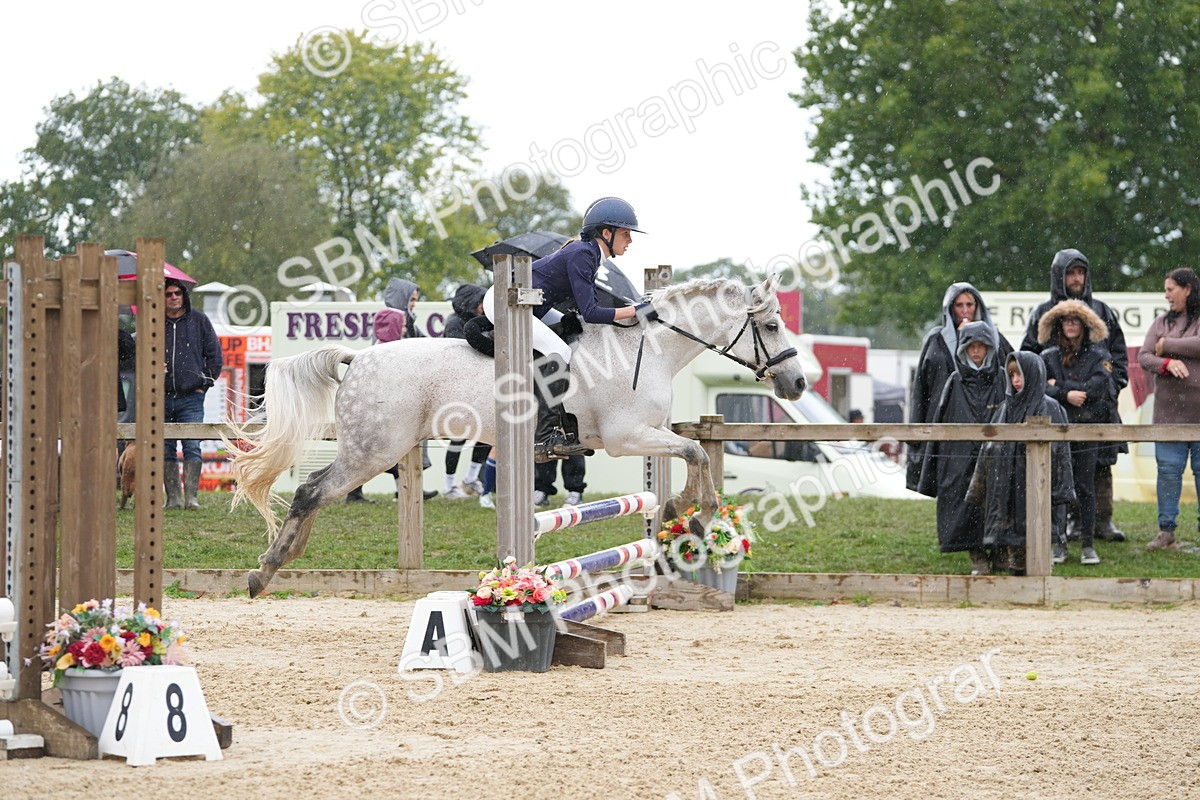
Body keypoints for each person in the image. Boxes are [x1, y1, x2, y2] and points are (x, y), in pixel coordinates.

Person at [482, 197, 656, 462]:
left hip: (530, 304)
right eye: (625, 233)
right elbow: (593, 312)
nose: (630, 240)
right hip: (508, 300)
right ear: (605, 233)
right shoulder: (583, 253)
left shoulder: (591, 255)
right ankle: (545, 437)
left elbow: (586, 309)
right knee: (559, 350)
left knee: (573, 338)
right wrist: (635, 310)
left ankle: (565, 422)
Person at [1021, 248, 1129, 542]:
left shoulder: (1103, 311)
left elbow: (1118, 355)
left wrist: (1112, 385)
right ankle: (1070, 521)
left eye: (1081, 272)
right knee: (1062, 464)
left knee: (1101, 463)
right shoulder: (1043, 313)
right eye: (1070, 272)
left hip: (1098, 405)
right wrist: (1049, 389)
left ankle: (1102, 521)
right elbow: (1028, 357)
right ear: (1059, 276)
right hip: (1058, 408)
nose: (1077, 278)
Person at [967, 352, 1074, 575]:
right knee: (1015, 552)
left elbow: (1062, 456)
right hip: (1009, 490)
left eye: (1020, 374)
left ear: (1034, 374)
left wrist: (1060, 492)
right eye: (1012, 374)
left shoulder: (1051, 407)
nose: (1016, 380)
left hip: (1038, 489)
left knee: (1038, 546)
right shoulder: (1005, 409)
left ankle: (1040, 591)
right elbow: (988, 451)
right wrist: (980, 488)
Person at [916, 321, 1007, 574]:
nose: (976, 351)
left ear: (989, 347)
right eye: (971, 346)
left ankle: (1000, 551)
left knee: (998, 501)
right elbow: (940, 420)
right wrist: (932, 465)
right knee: (963, 504)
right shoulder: (954, 381)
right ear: (963, 349)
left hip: (996, 454)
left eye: (981, 346)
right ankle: (976, 555)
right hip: (959, 456)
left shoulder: (1001, 377)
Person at [907, 282, 1012, 491]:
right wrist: (915, 433)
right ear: (949, 308)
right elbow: (920, 388)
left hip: (987, 424)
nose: (965, 311)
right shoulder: (936, 339)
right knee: (951, 489)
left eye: (970, 305)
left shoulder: (994, 339)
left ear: (978, 307)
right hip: (945, 425)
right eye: (959, 305)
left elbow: (1014, 373)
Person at [1038, 299, 1115, 565]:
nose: (1070, 325)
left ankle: (1088, 545)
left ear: (1084, 325)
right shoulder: (1047, 356)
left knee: (1085, 487)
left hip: (1087, 429)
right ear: (1059, 325)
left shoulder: (1099, 355)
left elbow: (1098, 387)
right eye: (1065, 320)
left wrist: (1059, 386)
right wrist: (1067, 392)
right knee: (1057, 486)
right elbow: (1039, 387)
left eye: (1075, 320)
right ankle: (1058, 543)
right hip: (1056, 430)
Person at [1138, 267, 1200, 551]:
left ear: (1187, 289)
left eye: (1171, 289)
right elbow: (1144, 356)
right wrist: (1164, 362)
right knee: (1168, 471)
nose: (1166, 295)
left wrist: (1168, 345)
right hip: (1168, 415)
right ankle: (1167, 533)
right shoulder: (1160, 322)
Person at [163, 278, 223, 510]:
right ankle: (173, 499)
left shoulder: (199, 320)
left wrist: (204, 382)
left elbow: (215, 355)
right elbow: (139, 353)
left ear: (184, 295)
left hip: (192, 396)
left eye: (177, 293)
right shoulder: (153, 322)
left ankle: (191, 498)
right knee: (165, 447)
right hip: (161, 395)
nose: (174, 297)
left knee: (192, 444)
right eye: (168, 294)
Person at [441, 283, 491, 499]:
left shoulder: (480, 321)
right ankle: (449, 485)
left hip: (479, 387)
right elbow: (460, 354)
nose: (483, 306)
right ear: (471, 302)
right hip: (458, 389)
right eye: (480, 302)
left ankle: (471, 478)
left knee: (486, 434)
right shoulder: (454, 323)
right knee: (458, 438)